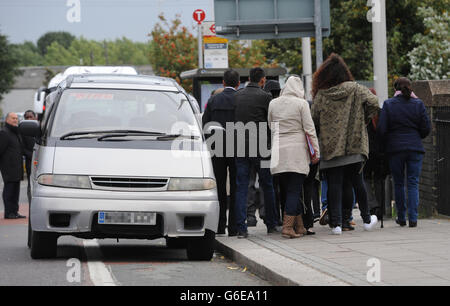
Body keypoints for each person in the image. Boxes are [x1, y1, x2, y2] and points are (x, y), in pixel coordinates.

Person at [311, 53, 380, 235]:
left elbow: (314, 118)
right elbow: (374, 102)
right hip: (354, 144)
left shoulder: (322, 95)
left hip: (331, 148)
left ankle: (337, 225)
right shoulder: (356, 89)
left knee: (334, 184)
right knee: (356, 182)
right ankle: (366, 219)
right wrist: (362, 120)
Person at [268, 76, 320, 238]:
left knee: (288, 190)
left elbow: (271, 125)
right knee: (295, 189)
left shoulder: (273, 103)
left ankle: (300, 226)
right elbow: (309, 130)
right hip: (297, 151)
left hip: (278, 151)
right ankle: (288, 228)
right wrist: (316, 152)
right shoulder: (301, 104)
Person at [377, 77, 431, 228]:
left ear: (395, 89)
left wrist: (387, 141)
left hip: (395, 149)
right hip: (415, 148)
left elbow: (382, 129)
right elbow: (426, 128)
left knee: (399, 183)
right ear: (410, 88)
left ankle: (401, 217)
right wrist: (415, 136)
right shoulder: (418, 104)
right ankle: (413, 218)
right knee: (413, 182)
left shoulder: (388, 104)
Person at [234, 67, 280, 238]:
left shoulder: (237, 95)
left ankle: (241, 227)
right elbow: (271, 123)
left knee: (242, 186)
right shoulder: (266, 97)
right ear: (262, 80)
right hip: (262, 147)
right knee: (267, 184)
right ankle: (271, 224)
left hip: (239, 147)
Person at [202, 69, 240, 236]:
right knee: (236, 187)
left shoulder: (213, 100)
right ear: (238, 83)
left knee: (218, 188)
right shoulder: (241, 99)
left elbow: (205, 125)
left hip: (216, 148)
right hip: (237, 148)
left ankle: (218, 226)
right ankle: (234, 227)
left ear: (223, 83)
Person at [0, 112, 26, 219]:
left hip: (17, 167)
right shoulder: (4, 132)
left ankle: (14, 212)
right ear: (7, 120)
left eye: (16, 118)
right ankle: (8, 212)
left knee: (15, 192)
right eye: (13, 118)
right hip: (9, 168)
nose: (15, 120)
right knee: (9, 191)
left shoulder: (15, 132)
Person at [22, 110, 37, 205]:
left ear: (35, 117)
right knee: (30, 184)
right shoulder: (22, 132)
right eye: (27, 117)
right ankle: (31, 202)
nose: (29, 119)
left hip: (42, 161)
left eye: (31, 117)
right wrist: (33, 156)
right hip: (30, 162)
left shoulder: (40, 128)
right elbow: (22, 148)